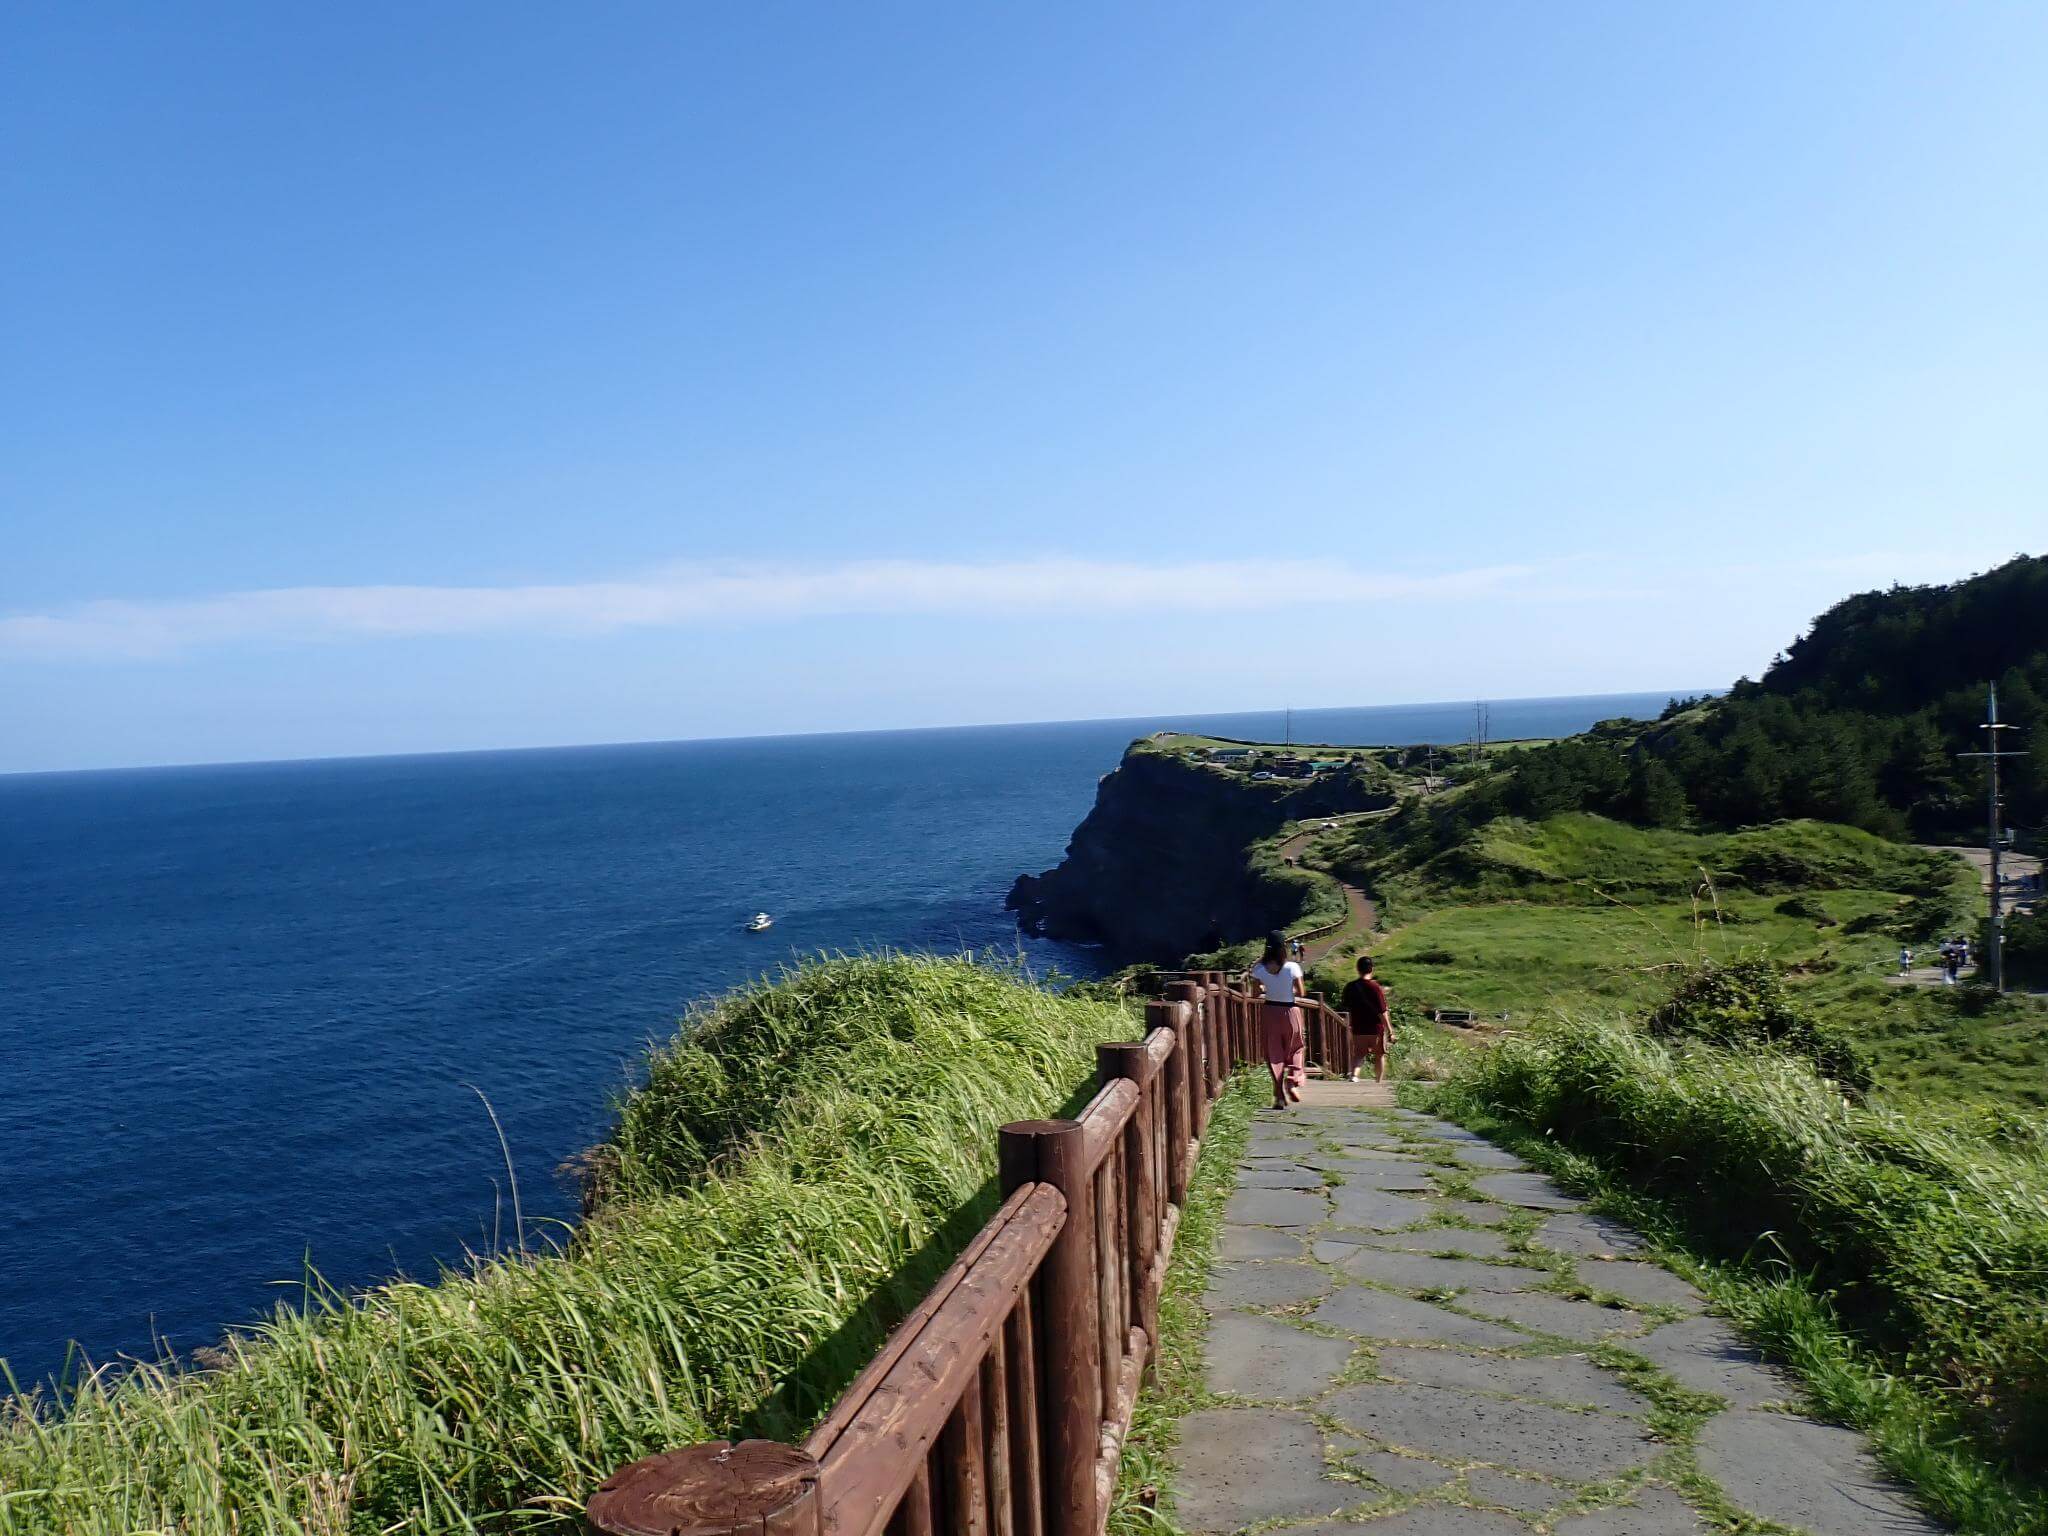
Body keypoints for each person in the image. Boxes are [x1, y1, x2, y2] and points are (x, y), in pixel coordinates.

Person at [1248, 931, 1308, 1110]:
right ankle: (1292, 1080)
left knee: (1274, 1053)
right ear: (1284, 947)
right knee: (1296, 1047)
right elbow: (1301, 992)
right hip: (1290, 1011)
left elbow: (1254, 994)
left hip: (1270, 1012)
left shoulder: (1260, 970)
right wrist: (1288, 990)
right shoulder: (1292, 967)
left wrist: (1265, 986)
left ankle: (1279, 1096)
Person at [1341, 954, 1392, 1084]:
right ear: (1371, 969)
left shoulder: (1350, 987)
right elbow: (1382, 1011)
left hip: (1358, 1027)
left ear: (1358, 969)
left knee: (1359, 1054)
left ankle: (1354, 1076)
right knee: (1379, 1055)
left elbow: (1345, 1006)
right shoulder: (1375, 987)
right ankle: (1378, 1081)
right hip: (1375, 1028)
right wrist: (1390, 1030)